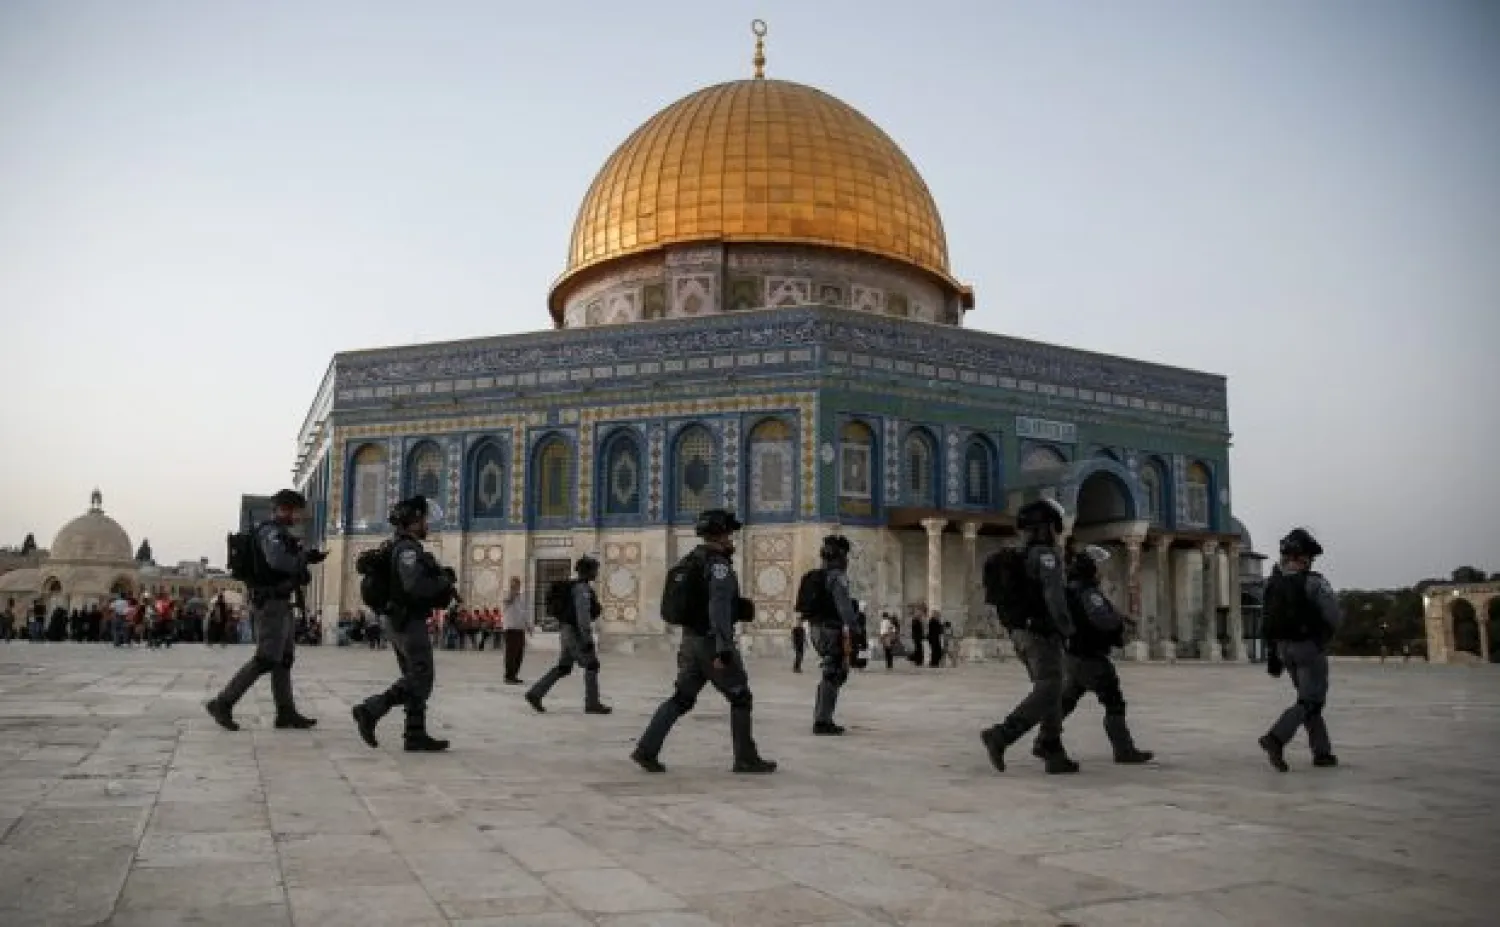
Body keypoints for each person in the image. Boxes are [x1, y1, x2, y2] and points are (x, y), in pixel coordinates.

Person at [632, 509, 776, 775]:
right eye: (729, 534)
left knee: (681, 698)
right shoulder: (718, 566)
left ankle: (646, 749)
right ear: (721, 535)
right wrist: (724, 649)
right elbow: (718, 608)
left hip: (690, 641)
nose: (732, 539)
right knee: (740, 696)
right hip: (711, 643)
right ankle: (745, 758)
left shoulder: (691, 560)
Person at [205, 489, 325, 732]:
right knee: (266, 658)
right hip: (270, 603)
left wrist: (302, 559)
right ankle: (223, 702)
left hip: (281, 602)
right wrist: (303, 559)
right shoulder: (270, 532)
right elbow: (278, 562)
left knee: (284, 659)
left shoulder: (280, 533)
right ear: (283, 509)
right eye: (293, 511)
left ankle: (285, 711)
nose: (297, 516)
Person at [979, 498, 1080, 774]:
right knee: (1050, 687)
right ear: (1047, 527)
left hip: (1020, 632)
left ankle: (1052, 746)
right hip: (1041, 633)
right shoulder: (1045, 556)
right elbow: (1055, 597)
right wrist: (1068, 629)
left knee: (1050, 687)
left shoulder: (1018, 556)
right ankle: (1002, 735)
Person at [351, 495, 458, 752]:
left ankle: (415, 733)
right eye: (424, 520)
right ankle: (371, 709)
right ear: (414, 521)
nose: (427, 525)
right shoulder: (408, 550)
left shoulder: (395, 546)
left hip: (397, 619)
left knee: (413, 676)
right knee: (420, 677)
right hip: (407, 621)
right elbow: (414, 585)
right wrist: (442, 582)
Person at [1033, 545, 1153, 764]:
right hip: (1091, 657)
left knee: (1066, 701)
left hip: (1073, 655)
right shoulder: (1088, 592)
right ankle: (1123, 749)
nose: (1101, 571)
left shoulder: (1071, 590)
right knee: (1113, 700)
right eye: (1097, 567)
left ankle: (1044, 739)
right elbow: (1102, 620)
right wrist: (1119, 623)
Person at [1259, 528, 1343, 772]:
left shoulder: (1272, 583)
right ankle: (1276, 737)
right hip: (1308, 648)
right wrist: (1322, 638)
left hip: (1284, 650)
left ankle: (1322, 752)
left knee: (1307, 699)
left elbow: (1266, 621)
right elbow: (1334, 615)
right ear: (1304, 557)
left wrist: (1273, 654)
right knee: (1311, 700)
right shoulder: (1313, 582)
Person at [525, 556, 611, 714]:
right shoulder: (582, 589)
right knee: (592, 665)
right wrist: (587, 640)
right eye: (595, 570)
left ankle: (536, 693)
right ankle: (592, 703)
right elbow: (582, 616)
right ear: (589, 571)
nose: (597, 573)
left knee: (564, 667)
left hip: (566, 631)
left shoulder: (574, 586)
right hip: (575, 632)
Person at [796, 535, 860, 735]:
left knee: (830, 672)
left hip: (815, 629)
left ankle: (822, 716)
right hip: (831, 629)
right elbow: (844, 607)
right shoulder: (836, 577)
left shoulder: (815, 576)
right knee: (833, 673)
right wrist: (855, 627)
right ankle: (823, 721)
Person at [501, 577, 532, 684]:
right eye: (514, 585)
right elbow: (507, 601)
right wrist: (513, 593)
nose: (516, 587)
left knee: (519, 654)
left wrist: (528, 625)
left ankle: (514, 675)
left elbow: (523, 612)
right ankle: (508, 676)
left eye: (518, 584)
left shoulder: (521, 598)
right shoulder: (507, 594)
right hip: (510, 629)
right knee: (511, 654)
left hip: (520, 629)